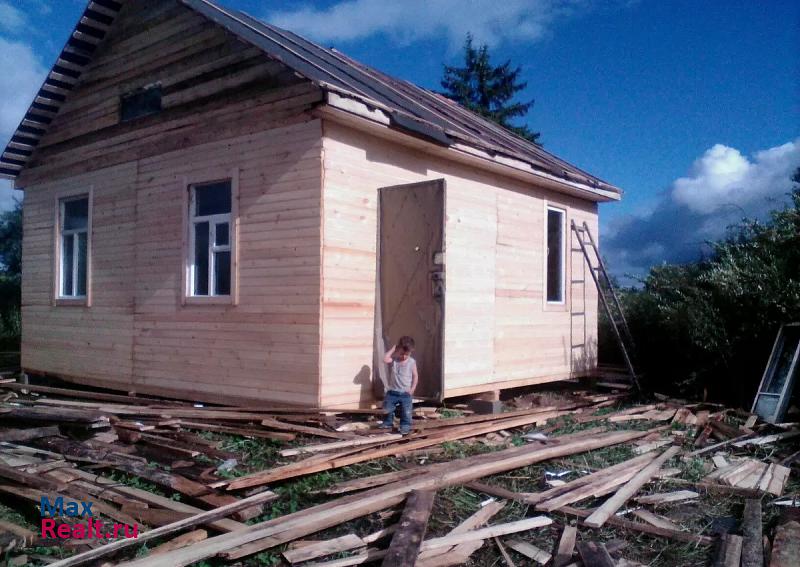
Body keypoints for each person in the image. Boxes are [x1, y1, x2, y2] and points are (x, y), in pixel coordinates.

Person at [379, 336, 418, 435]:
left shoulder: (411, 362)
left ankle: (405, 426)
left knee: (406, 411)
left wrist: (412, 389)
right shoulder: (395, 360)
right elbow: (384, 359)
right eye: (402, 353)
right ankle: (388, 423)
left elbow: (415, 376)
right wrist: (393, 349)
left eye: (407, 354)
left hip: (405, 393)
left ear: (411, 352)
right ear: (398, 349)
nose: (404, 356)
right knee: (387, 408)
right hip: (393, 391)